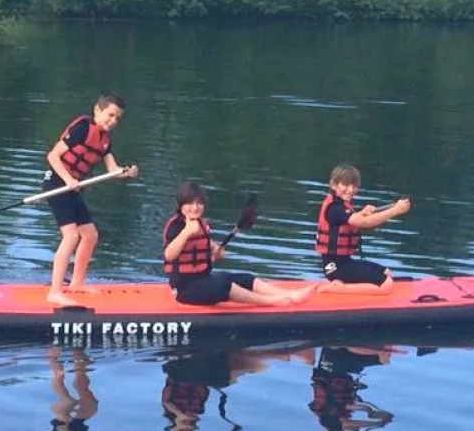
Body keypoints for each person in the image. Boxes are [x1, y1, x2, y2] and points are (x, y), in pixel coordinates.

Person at [44, 92, 138, 306]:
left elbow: (113, 170)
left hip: (73, 188)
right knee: (71, 236)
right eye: (110, 115)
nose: (113, 121)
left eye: (117, 118)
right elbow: (53, 156)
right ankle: (55, 292)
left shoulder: (105, 140)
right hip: (57, 184)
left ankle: (76, 283)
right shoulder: (82, 128)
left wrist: (127, 172)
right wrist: (68, 179)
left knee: (90, 235)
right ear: (98, 110)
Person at [163, 180, 318, 307]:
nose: (195, 207)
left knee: (244, 278)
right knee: (223, 284)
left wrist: (215, 248)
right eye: (190, 203)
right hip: (183, 289)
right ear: (180, 205)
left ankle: (288, 294)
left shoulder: (201, 224)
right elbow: (169, 255)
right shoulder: (176, 226)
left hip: (202, 279)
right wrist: (186, 232)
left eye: (199, 203)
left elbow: (204, 243)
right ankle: (271, 301)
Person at [317, 164, 411, 294]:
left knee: (387, 273)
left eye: (354, 186)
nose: (350, 190)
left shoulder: (342, 205)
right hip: (334, 268)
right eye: (346, 185)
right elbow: (364, 223)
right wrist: (395, 211)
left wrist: (363, 212)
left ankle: (342, 284)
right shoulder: (335, 208)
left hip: (345, 262)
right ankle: (340, 288)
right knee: (386, 284)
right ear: (333, 185)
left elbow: (358, 220)